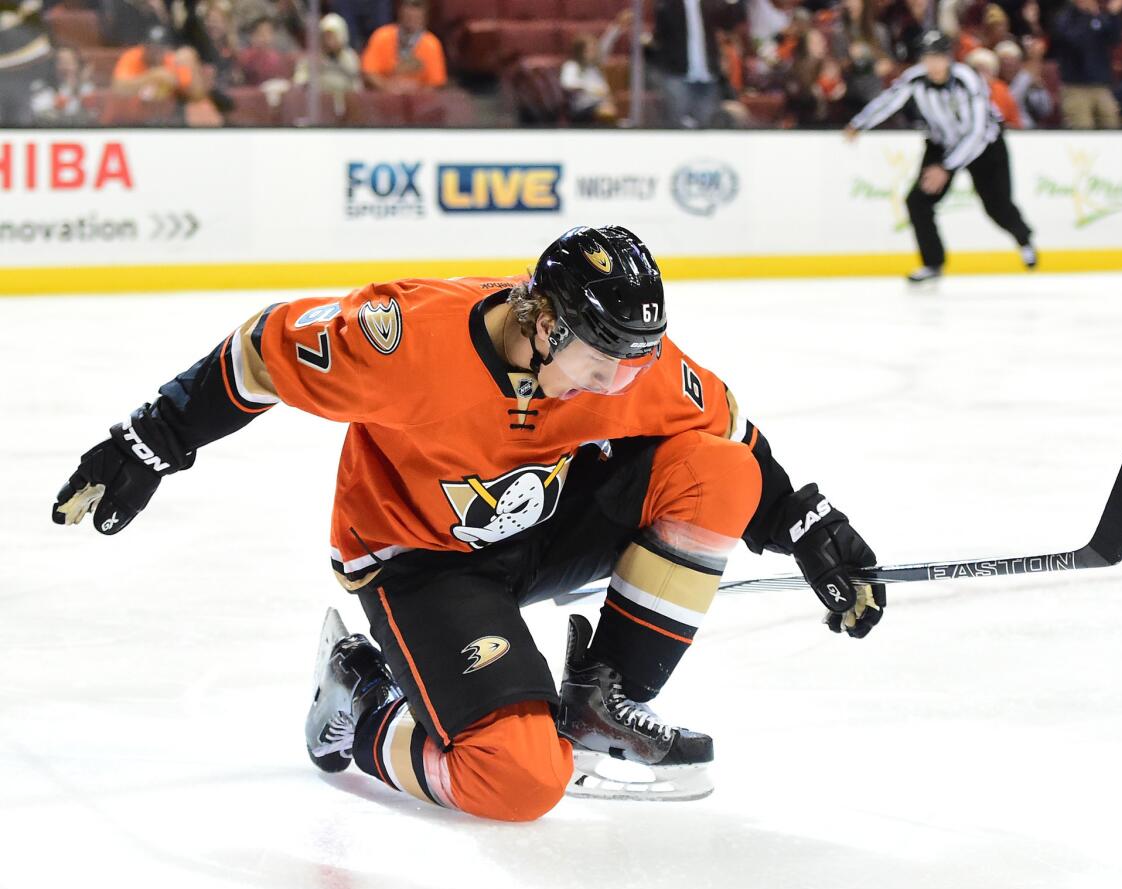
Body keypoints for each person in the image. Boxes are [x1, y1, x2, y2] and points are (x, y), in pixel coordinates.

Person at [51, 226, 885, 821]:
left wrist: (808, 526)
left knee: (719, 471)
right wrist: (155, 436)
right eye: (599, 368)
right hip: (419, 562)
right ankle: (365, 695)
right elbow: (263, 350)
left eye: (630, 368)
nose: (616, 389)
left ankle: (604, 701)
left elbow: (728, 429)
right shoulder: (406, 341)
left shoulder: (627, 365)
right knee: (520, 781)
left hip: (539, 530)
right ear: (544, 320)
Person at [845, 30, 1036, 283]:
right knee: (918, 201)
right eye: (927, 57)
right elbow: (890, 100)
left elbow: (976, 131)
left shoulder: (968, 80)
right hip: (941, 142)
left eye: (938, 57)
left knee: (997, 207)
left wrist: (946, 168)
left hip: (984, 147)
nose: (932, 64)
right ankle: (933, 263)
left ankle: (1024, 239)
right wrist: (859, 123)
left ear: (949, 58)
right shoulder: (915, 79)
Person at [1053, 0, 1122, 129]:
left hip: (1101, 85)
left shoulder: (1099, 16)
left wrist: (1113, 15)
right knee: (1082, 128)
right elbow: (1075, 42)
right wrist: (1087, 16)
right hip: (1076, 86)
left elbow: (1115, 38)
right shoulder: (1065, 17)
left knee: (1112, 124)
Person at [559, 11, 630, 125]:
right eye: (590, 50)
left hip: (601, 102)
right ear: (580, 52)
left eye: (594, 49)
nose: (594, 52)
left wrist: (617, 26)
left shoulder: (594, 65)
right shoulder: (572, 66)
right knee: (606, 111)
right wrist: (591, 89)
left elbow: (606, 45)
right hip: (582, 107)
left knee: (618, 106)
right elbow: (568, 83)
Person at [361, 0, 446, 91]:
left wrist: (415, 94)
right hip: (383, 97)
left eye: (416, 13)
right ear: (400, 12)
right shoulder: (381, 36)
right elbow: (368, 72)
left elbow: (435, 84)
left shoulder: (432, 44)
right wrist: (387, 87)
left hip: (419, 101)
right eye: (408, 11)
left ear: (425, 17)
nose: (411, 16)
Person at [293, 13, 363, 97]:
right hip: (320, 102)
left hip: (344, 102)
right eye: (325, 36)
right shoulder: (312, 57)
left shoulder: (350, 57)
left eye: (332, 36)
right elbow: (299, 82)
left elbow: (356, 86)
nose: (328, 40)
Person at [29, 44, 96, 125]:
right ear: (52, 65)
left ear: (78, 65)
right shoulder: (40, 87)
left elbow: (91, 115)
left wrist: (76, 89)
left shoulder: (86, 88)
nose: (65, 67)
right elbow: (41, 116)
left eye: (69, 63)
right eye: (61, 62)